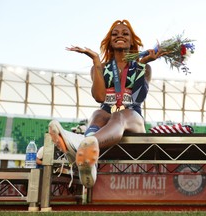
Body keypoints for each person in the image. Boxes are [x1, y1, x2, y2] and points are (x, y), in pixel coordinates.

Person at [48, 19, 162, 188]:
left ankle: (80, 144)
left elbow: (139, 97)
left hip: (132, 119)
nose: (120, 36)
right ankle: (89, 162)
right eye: (114, 34)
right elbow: (100, 97)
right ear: (109, 41)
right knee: (98, 113)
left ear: (132, 41)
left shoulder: (143, 66)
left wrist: (142, 64)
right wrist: (96, 61)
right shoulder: (100, 68)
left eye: (125, 33)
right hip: (106, 122)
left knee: (119, 115)